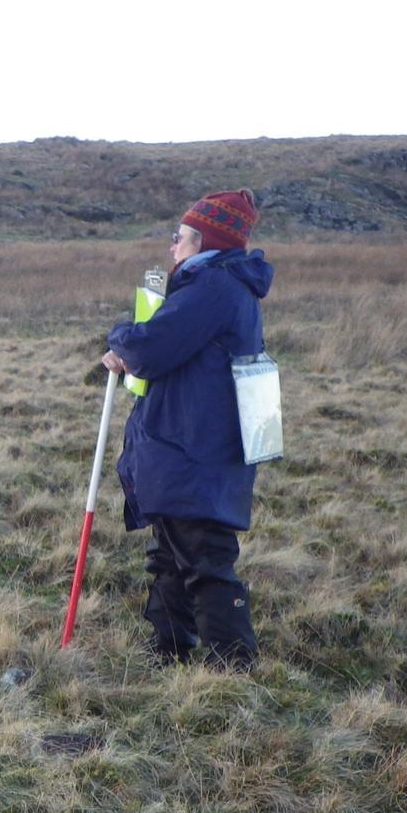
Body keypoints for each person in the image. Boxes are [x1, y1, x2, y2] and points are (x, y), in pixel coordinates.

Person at [100, 189, 273, 672]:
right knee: (172, 553)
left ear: (202, 240)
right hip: (189, 443)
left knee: (203, 558)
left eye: (179, 236)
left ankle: (233, 667)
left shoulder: (213, 289)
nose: (172, 246)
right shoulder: (215, 286)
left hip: (193, 448)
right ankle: (166, 650)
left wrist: (121, 335)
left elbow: (151, 348)